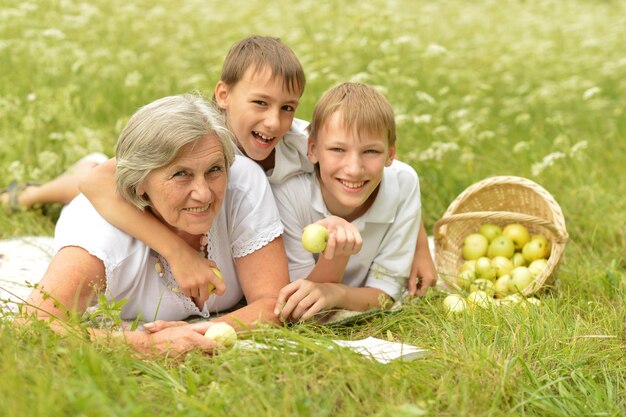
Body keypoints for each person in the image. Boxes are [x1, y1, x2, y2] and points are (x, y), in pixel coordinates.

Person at [78, 36, 437, 308]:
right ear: (223, 95)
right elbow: (96, 182)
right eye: (260, 103)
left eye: (287, 107)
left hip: (235, 224)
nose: (273, 121)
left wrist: (419, 246)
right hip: (176, 195)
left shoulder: (299, 140)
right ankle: (36, 192)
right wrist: (177, 252)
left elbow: (388, 172)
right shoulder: (199, 139)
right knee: (92, 177)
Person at [23, 94, 290, 356]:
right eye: (181, 174)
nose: (204, 193)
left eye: (214, 169)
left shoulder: (242, 184)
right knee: (84, 182)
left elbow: (271, 303)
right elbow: (30, 326)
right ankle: (28, 195)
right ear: (139, 183)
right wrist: (147, 345)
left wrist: (204, 332)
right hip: (90, 205)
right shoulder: (99, 240)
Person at [271, 82, 428, 321]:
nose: (354, 169)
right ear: (312, 149)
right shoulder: (289, 194)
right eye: (337, 149)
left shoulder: (404, 183)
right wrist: (337, 254)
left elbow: (386, 295)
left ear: (391, 154)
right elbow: (296, 305)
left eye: (371, 152)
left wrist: (336, 294)